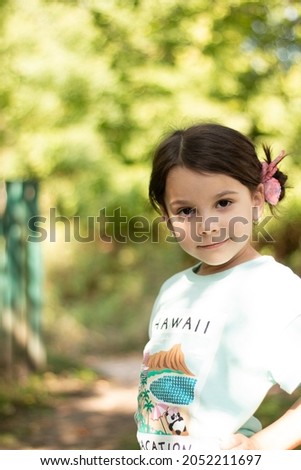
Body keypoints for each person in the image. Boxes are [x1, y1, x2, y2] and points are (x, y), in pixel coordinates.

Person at [135, 123, 301, 450]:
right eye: (186, 211)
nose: (207, 226)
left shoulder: (275, 290)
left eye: (223, 203)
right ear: (167, 218)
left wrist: (260, 447)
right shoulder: (173, 289)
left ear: (255, 201)